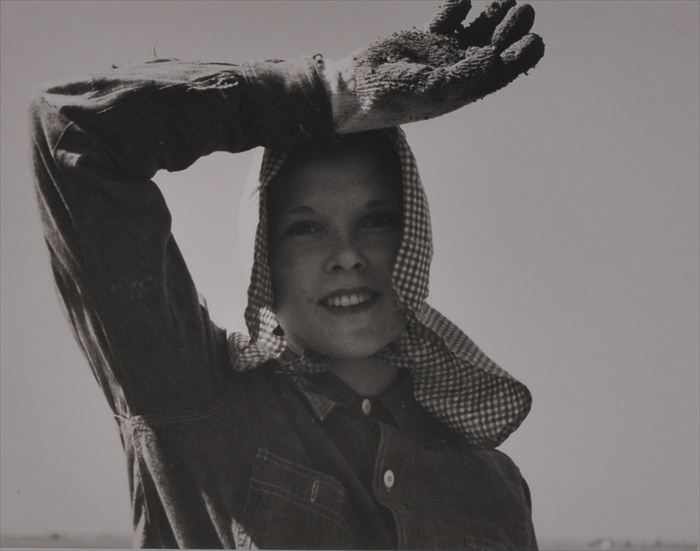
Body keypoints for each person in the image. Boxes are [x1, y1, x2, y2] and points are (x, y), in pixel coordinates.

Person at [29, 0, 545, 548]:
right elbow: (71, 128)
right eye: (307, 228)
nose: (346, 255)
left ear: (413, 236)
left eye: (375, 222)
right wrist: (325, 93)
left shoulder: (491, 484)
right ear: (265, 254)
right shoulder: (193, 399)